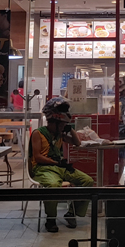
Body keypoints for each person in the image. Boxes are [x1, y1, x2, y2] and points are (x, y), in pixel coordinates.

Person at [29, 97, 94, 232]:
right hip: (43, 169)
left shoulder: (60, 134)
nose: (64, 126)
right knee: (53, 186)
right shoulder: (38, 133)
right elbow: (38, 157)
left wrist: (70, 130)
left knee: (88, 181)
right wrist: (56, 162)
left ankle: (71, 213)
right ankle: (50, 219)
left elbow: (77, 143)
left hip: (59, 167)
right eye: (63, 124)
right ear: (54, 121)